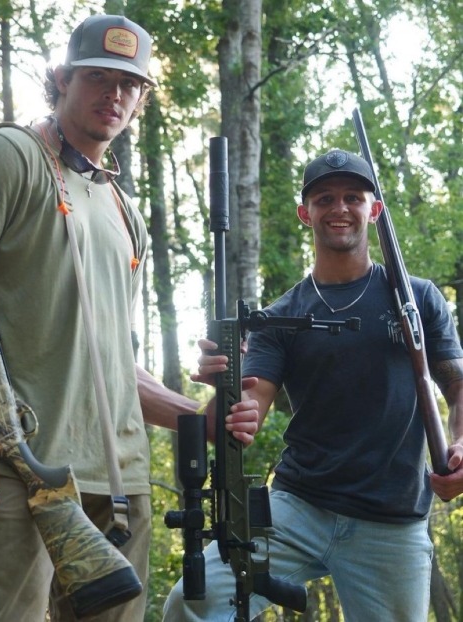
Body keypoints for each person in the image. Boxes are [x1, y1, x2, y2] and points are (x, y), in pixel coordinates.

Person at [0, 14, 258, 622]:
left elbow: (113, 365)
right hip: (24, 469)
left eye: (130, 83)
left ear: (142, 97)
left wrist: (199, 419)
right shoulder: (10, 156)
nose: (115, 94)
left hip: (122, 483)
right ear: (62, 79)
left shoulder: (122, 208)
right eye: (98, 77)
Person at [163, 149, 463, 622]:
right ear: (306, 214)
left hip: (392, 517)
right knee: (192, 602)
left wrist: (460, 444)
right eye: (324, 199)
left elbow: (457, 386)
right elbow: (249, 405)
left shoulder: (418, 297)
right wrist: (229, 389)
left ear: (374, 210)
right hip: (298, 506)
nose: (339, 208)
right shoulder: (281, 316)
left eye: (352, 197)